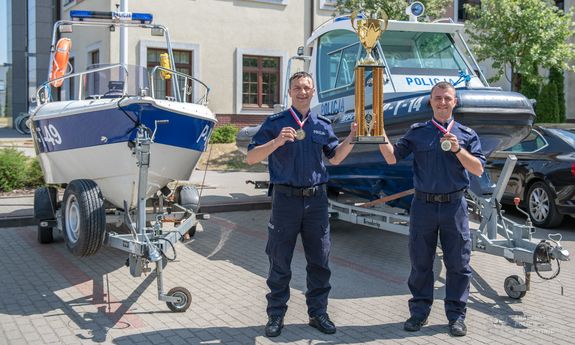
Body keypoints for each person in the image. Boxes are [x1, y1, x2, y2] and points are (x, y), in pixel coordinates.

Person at [246, 71, 356, 337]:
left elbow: (335, 158)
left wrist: (353, 136)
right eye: (297, 88)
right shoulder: (275, 122)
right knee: (279, 260)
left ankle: (318, 313)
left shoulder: (322, 124)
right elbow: (250, 158)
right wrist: (276, 141)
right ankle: (275, 316)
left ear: (313, 91)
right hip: (285, 200)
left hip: (316, 201)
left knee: (319, 260)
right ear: (289, 92)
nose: (302, 92)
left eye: (307, 88)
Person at [378, 81, 485, 337]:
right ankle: (419, 313)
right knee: (421, 263)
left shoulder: (467, 134)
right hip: (423, 206)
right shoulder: (417, 132)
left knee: (459, 264)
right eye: (437, 98)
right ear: (431, 101)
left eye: (447, 98)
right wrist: (377, 132)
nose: (442, 102)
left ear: (455, 101)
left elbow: (478, 169)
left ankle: (456, 317)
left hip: (454, 207)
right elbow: (392, 157)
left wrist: (458, 148)